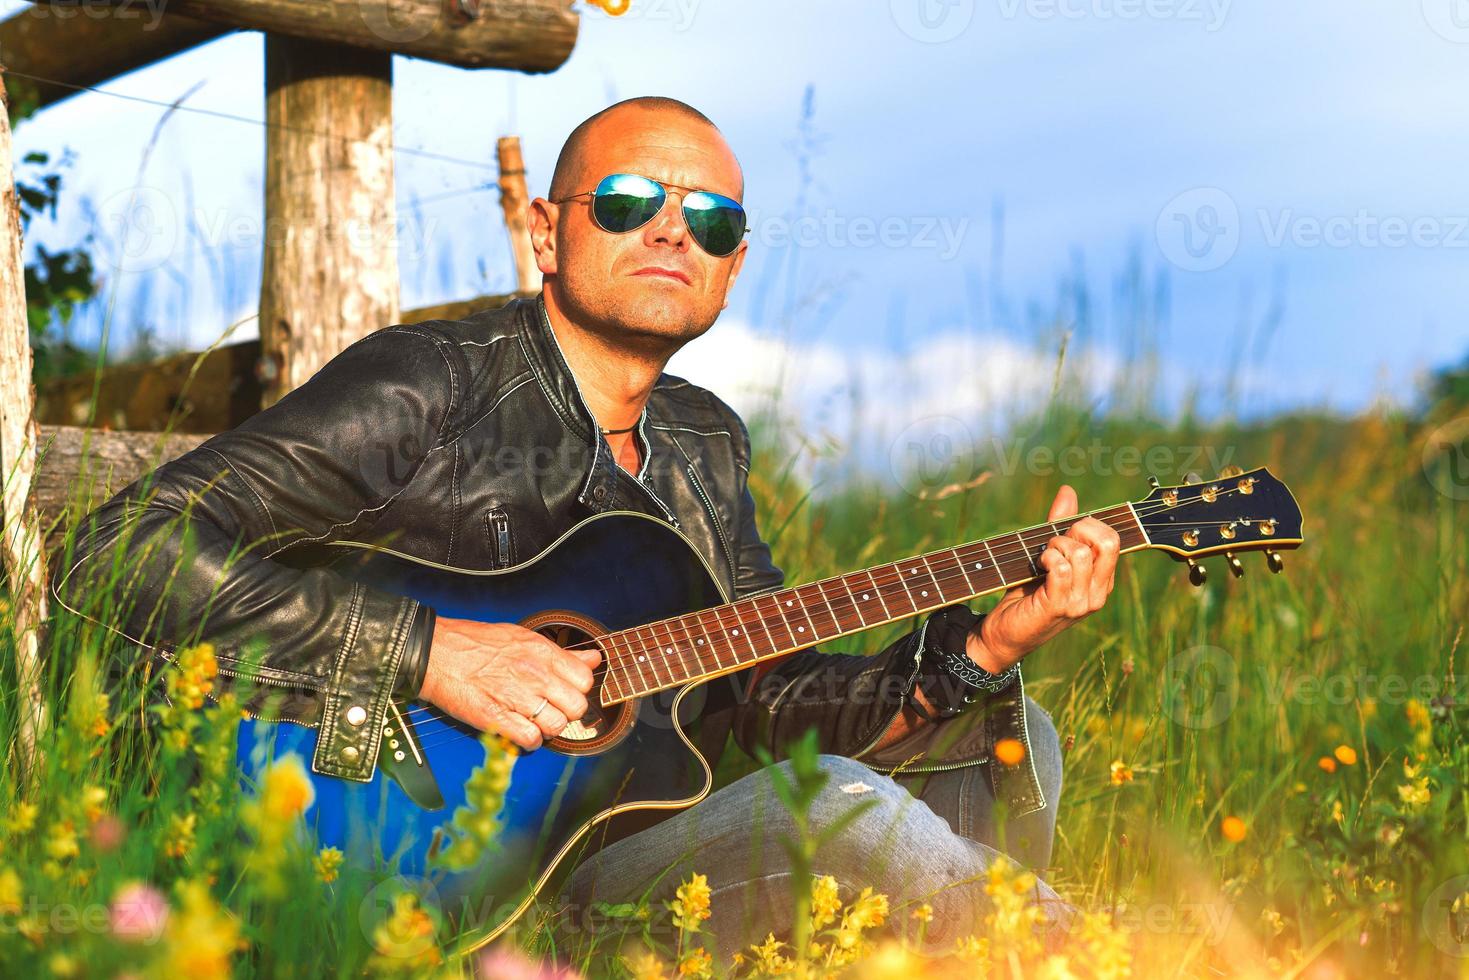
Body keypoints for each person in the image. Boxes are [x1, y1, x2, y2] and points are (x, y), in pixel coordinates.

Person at [56, 96, 1119, 961]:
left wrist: (984, 645)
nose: (670, 229)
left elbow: (761, 706)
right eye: (626, 200)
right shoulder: (428, 382)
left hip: (629, 837)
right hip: (453, 880)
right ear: (546, 230)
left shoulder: (703, 441)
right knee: (842, 802)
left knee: (1011, 732)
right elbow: (120, 546)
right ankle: (1104, 957)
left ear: (730, 265)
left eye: (708, 220)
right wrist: (429, 651)